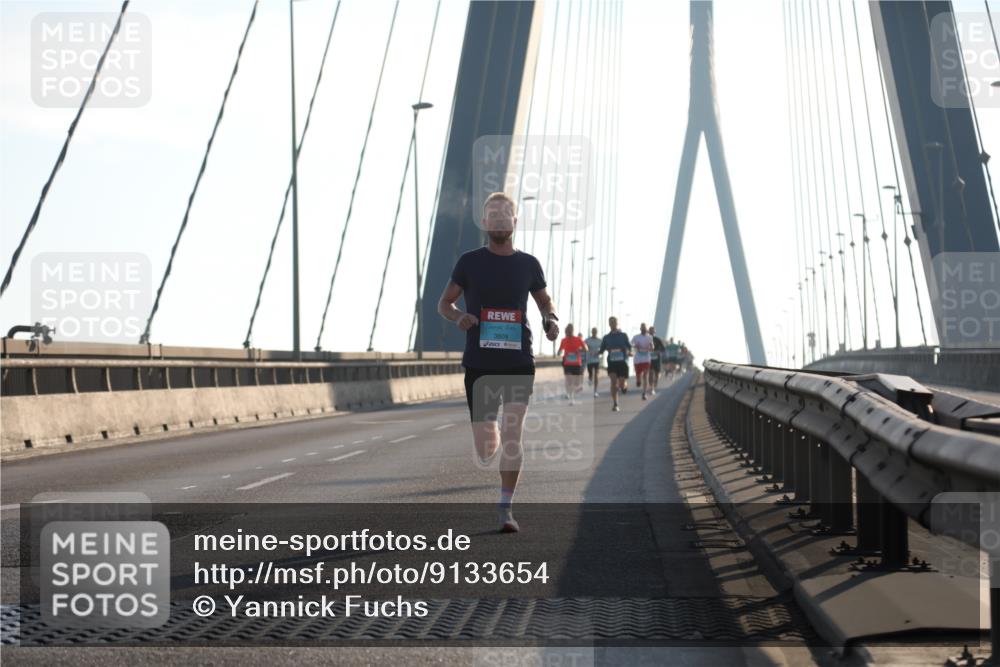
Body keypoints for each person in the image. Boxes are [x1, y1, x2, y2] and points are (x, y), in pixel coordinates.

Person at [437, 192, 559, 533]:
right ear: (485, 222)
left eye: (507, 213)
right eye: (493, 213)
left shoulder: (529, 264)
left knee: (512, 433)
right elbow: (444, 304)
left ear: (515, 221)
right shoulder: (469, 262)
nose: (500, 218)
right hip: (479, 361)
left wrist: (551, 320)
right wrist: (458, 317)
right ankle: (485, 436)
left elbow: (544, 300)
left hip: (519, 359)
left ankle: (505, 506)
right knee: (486, 444)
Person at [599, 316, 631, 412]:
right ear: (609, 324)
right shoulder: (606, 337)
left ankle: (624, 386)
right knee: (613, 382)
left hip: (622, 362)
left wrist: (630, 352)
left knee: (621, 383)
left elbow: (629, 347)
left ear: (617, 323)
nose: (613, 324)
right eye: (611, 322)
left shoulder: (623, 335)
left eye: (614, 322)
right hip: (612, 362)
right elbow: (602, 350)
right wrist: (596, 353)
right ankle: (615, 404)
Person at [557, 324, 587, 404]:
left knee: (576, 382)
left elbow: (585, 349)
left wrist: (579, 350)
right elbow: (559, 351)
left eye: (568, 331)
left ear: (572, 331)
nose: (567, 332)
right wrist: (559, 353)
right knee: (569, 379)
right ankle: (571, 398)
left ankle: (574, 391)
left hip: (577, 364)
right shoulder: (563, 340)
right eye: (566, 331)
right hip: (567, 363)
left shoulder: (578, 339)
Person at [631, 323, 655, 400]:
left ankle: (644, 393)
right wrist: (635, 346)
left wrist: (651, 347)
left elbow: (652, 346)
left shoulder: (649, 337)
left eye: (645, 328)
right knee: (638, 375)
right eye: (642, 328)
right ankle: (638, 380)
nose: (644, 330)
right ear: (640, 329)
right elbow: (631, 344)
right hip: (638, 359)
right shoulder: (636, 337)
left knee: (645, 375)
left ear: (646, 329)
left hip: (646, 358)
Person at [584, 327, 602, 397]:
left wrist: (598, 352)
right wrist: (586, 348)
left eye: (595, 331)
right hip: (589, 360)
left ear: (597, 332)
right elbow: (583, 346)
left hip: (597, 360)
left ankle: (595, 391)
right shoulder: (587, 340)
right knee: (590, 374)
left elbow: (602, 349)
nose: (594, 332)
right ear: (591, 332)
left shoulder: (600, 340)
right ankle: (590, 380)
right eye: (593, 331)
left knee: (596, 375)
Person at [649, 325, 665, 396]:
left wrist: (658, 351)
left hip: (657, 359)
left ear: (655, 332)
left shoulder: (658, 340)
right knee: (650, 373)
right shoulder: (646, 339)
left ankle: (654, 385)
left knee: (656, 374)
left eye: (653, 331)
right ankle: (651, 388)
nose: (651, 332)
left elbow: (663, 349)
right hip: (649, 359)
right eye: (650, 331)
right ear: (648, 332)